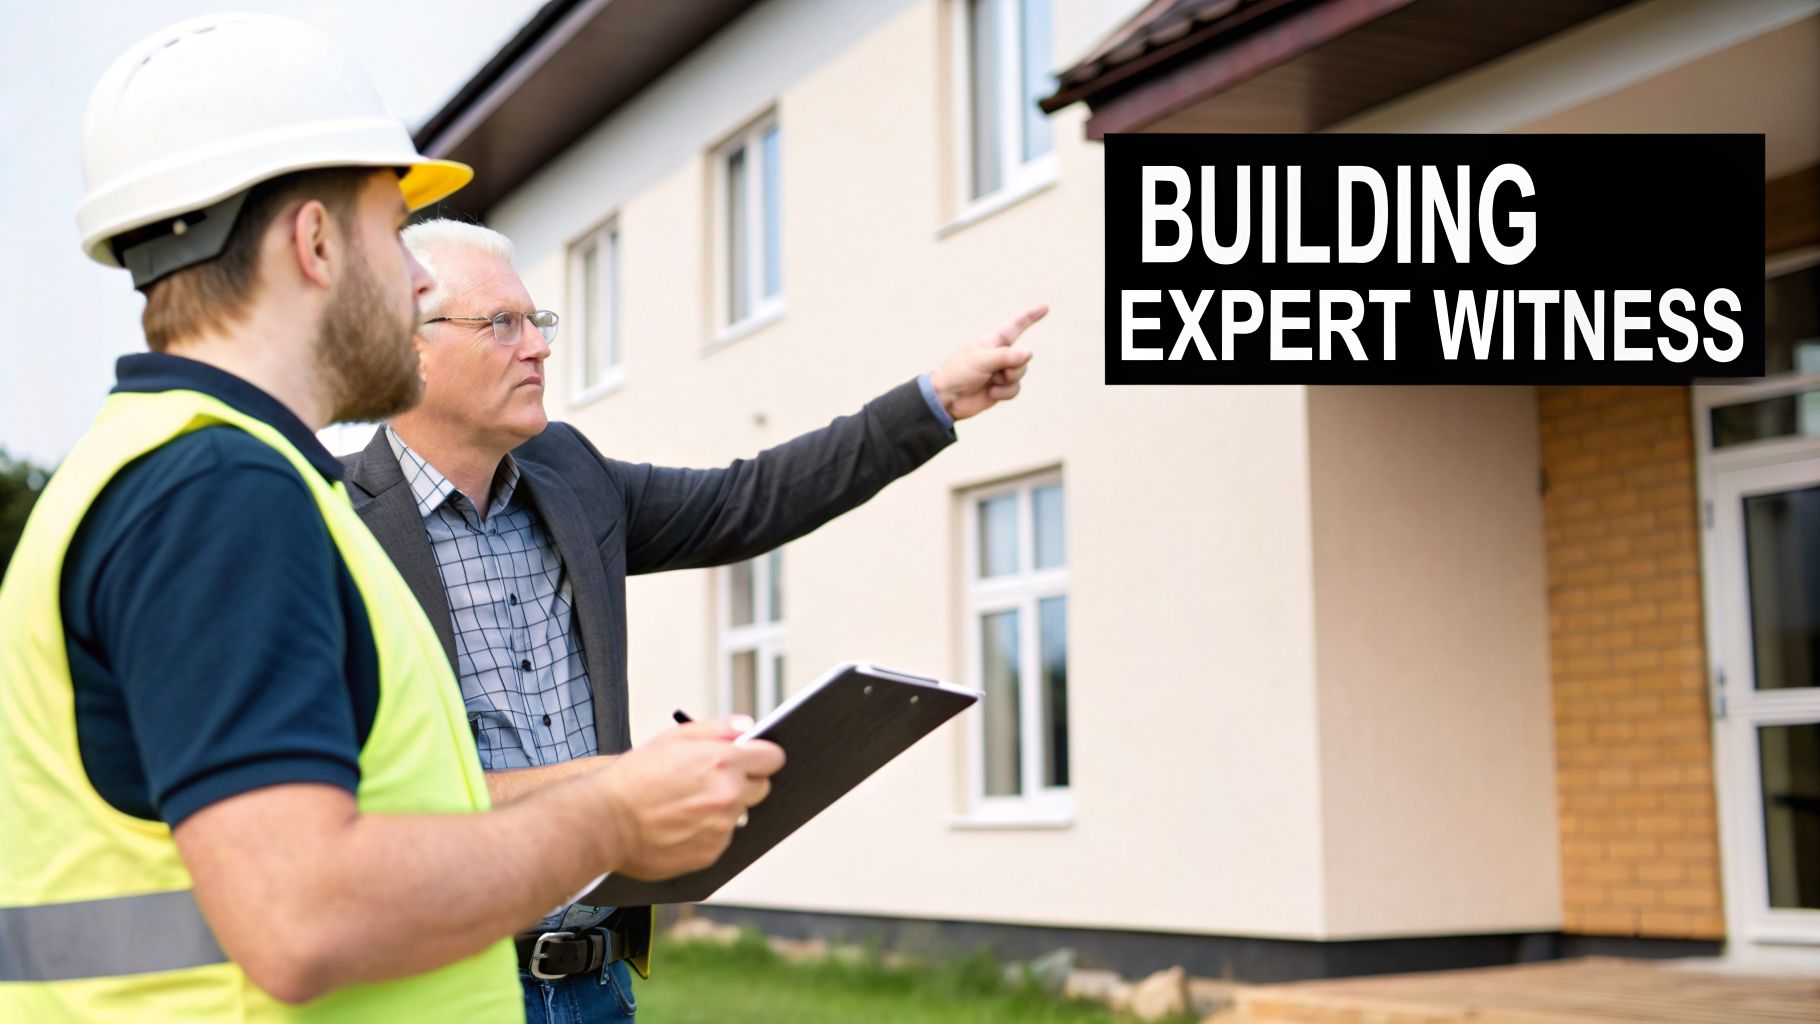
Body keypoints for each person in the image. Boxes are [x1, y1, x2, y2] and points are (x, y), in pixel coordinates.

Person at [0, 15, 781, 1022]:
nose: (418, 280)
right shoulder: (218, 495)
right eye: (391, 233)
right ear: (317, 242)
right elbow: (304, 913)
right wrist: (613, 818)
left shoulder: (179, 468)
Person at [339, 218, 1044, 1021]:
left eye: (538, 323)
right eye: (501, 323)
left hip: (597, 984)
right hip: (443, 993)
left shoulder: (571, 474)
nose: (536, 347)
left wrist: (934, 402)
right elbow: (374, 800)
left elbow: (748, 498)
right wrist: (626, 781)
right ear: (409, 348)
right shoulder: (327, 525)